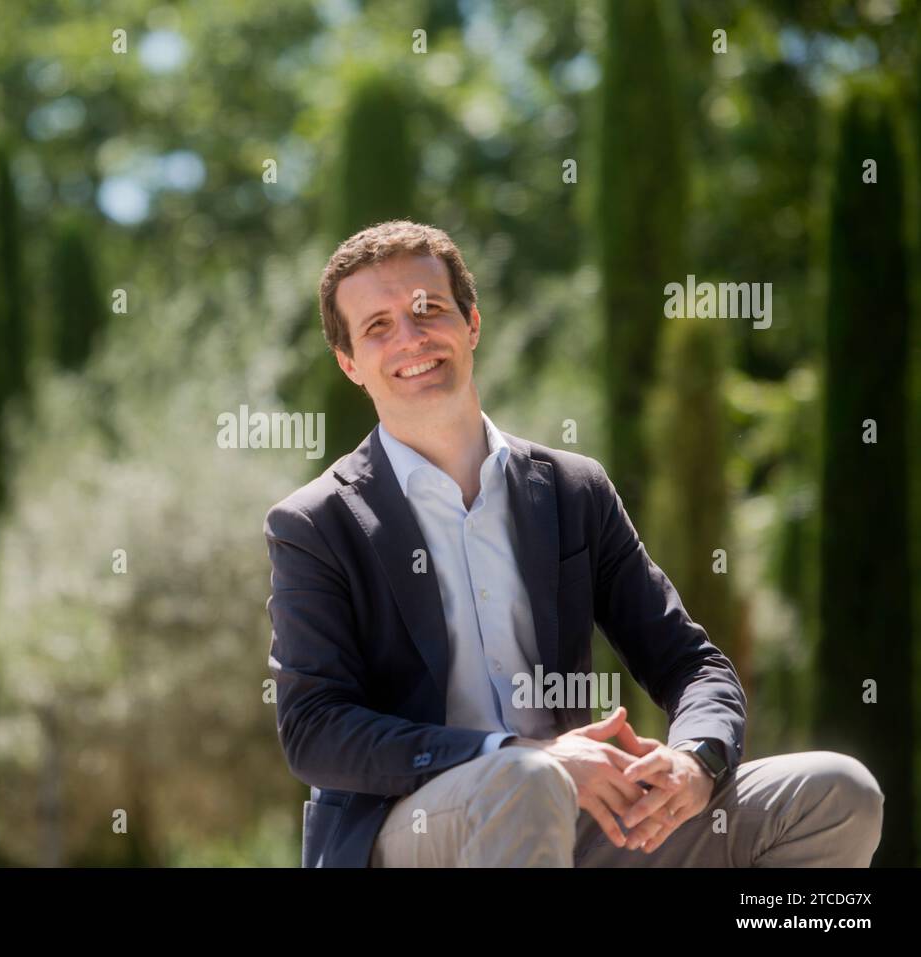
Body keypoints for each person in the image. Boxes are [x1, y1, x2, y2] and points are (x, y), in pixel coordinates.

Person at [263, 220, 883, 867]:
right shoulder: (315, 523)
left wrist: (695, 759)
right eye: (378, 326)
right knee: (526, 782)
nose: (412, 338)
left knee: (838, 792)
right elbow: (315, 730)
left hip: (580, 814)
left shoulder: (570, 489)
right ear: (349, 363)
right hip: (407, 832)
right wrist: (516, 753)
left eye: (428, 309)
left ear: (472, 322)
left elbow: (692, 662)